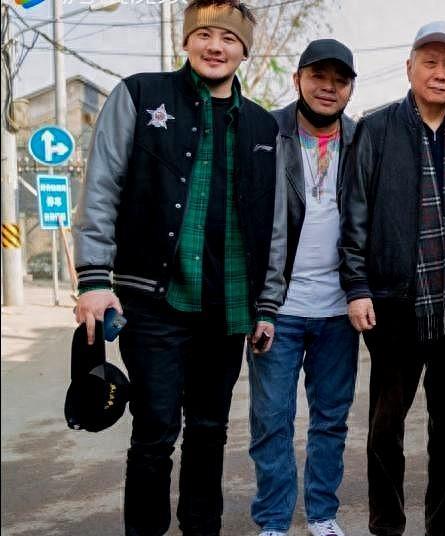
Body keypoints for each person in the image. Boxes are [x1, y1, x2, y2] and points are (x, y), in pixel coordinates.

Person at [72, 0, 280, 534]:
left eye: (229, 38)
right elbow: (102, 187)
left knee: (210, 431)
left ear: (244, 50)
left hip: (226, 307)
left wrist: (266, 305)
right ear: (185, 41)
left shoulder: (262, 125)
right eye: (205, 34)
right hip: (153, 301)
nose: (216, 47)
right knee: (155, 431)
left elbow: (273, 222)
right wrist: (93, 278)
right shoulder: (140, 96)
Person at [339, 20, 445, 536]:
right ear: (410, 68)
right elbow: (355, 212)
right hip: (394, 303)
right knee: (386, 425)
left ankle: (443, 523)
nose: (440, 74)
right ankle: (387, 524)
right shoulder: (376, 129)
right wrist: (357, 287)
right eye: (430, 63)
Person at [247, 39, 359, 536]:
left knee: (330, 419)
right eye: (318, 76)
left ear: (350, 89)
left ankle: (321, 514)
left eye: (339, 80)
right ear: (298, 80)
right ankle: (273, 519)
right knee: (272, 419)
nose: (328, 87)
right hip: (277, 308)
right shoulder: (266, 133)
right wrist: (257, 301)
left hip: (339, 310)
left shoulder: (361, 140)